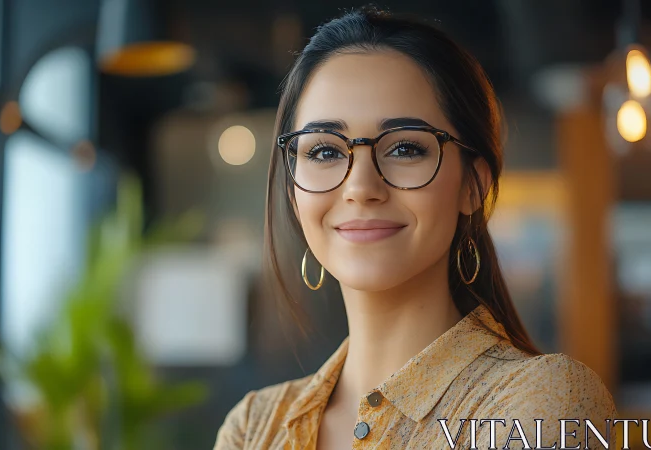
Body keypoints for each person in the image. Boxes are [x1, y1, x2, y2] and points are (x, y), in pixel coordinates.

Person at [214, 6, 618, 450]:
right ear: (294, 193)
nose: (360, 187)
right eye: (325, 152)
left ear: (473, 185)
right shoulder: (254, 427)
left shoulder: (539, 403)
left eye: (405, 148)